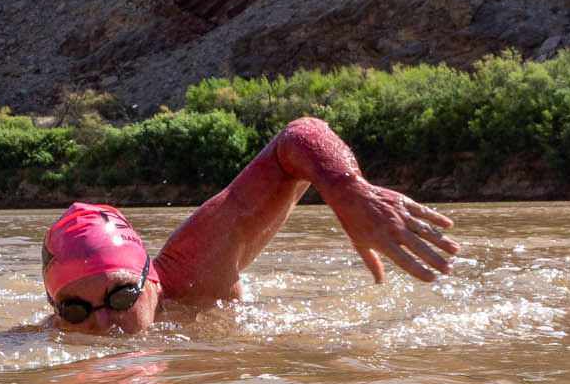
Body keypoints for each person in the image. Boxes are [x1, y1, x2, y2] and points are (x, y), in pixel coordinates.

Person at [42, 117, 458, 334]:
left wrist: (348, 189)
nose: (104, 325)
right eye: (76, 310)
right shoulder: (44, 339)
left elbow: (298, 136)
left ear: (148, 277)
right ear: (55, 312)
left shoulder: (197, 264)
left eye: (120, 297)